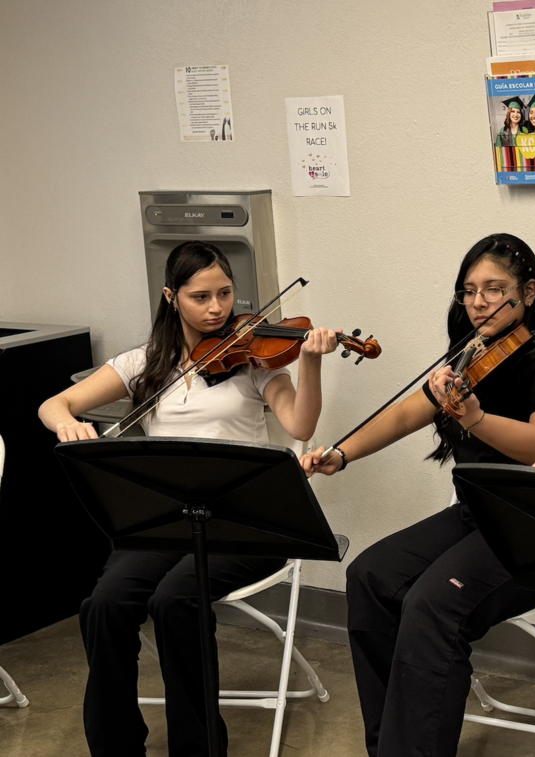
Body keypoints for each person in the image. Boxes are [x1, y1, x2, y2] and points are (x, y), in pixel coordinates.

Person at [300, 232, 535, 757]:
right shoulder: (471, 354)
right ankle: (390, 746)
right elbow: (405, 413)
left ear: (529, 292)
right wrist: (342, 453)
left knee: (431, 604)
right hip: (478, 515)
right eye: (469, 291)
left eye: (494, 289)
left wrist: (478, 419)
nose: (479, 302)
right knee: (369, 577)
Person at [38, 240, 340, 757]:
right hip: (167, 517)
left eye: (225, 293)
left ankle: (198, 748)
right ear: (171, 297)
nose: (218, 308)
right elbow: (54, 403)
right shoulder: (145, 363)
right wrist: (68, 423)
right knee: (104, 605)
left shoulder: (255, 361)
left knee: (174, 598)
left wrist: (310, 363)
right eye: (201, 297)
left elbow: (300, 424)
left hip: (245, 521)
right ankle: (116, 745)